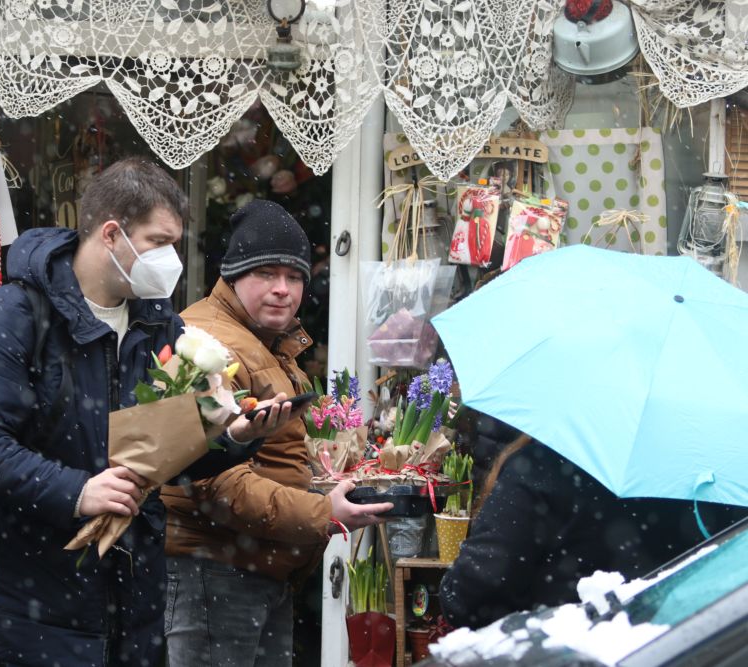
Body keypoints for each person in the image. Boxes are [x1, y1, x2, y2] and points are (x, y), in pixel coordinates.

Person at [0, 159, 295, 666]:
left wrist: (232, 435)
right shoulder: (16, 315)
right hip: (32, 607)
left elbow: (170, 452)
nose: (171, 259)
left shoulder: (159, 324)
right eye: (159, 241)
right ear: (112, 234)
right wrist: (77, 491)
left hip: (132, 605)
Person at [162, 199, 393, 666]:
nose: (283, 290)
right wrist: (321, 512)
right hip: (214, 571)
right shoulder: (205, 345)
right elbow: (208, 478)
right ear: (231, 276)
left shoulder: (266, 343)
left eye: (294, 277)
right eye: (265, 274)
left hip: (256, 568)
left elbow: (280, 456)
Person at [440, 435, 748, 629]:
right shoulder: (724, 480)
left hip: (560, 649)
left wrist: (450, 593)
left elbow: (474, 596)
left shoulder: (542, 466)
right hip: (680, 647)